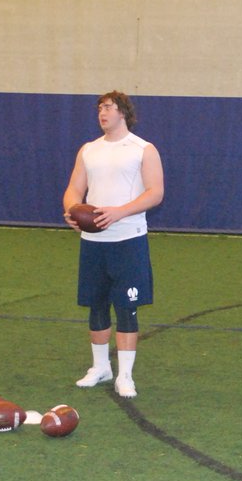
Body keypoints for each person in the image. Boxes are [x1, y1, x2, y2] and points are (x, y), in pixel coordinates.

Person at [63, 91, 164, 399]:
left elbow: (155, 193)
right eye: (99, 108)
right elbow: (74, 189)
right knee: (96, 305)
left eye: (107, 107)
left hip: (128, 240)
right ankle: (100, 367)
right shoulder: (88, 150)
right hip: (93, 243)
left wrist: (119, 211)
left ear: (123, 112)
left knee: (126, 307)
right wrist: (72, 210)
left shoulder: (143, 149)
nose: (102, 113)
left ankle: (125, 375)